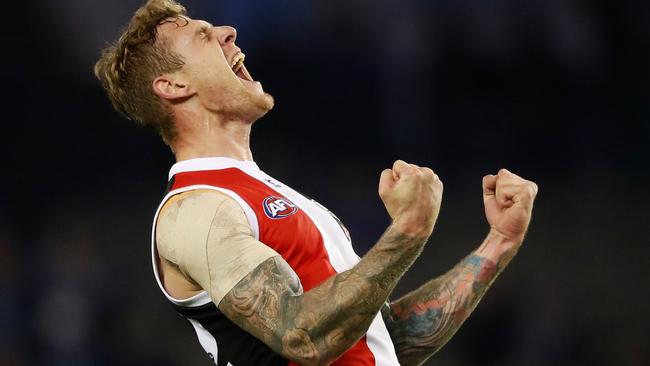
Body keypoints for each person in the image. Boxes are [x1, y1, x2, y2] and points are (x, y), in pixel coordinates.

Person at [94, 1, 539, 365]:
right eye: (203, 35)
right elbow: (302, 337)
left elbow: (384, 340)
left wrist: (497, 244)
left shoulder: (275, 196)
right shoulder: (196, 210)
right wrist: (409, 230)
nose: (228, 31)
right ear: (172, 86)